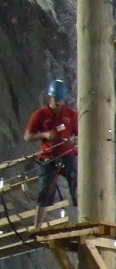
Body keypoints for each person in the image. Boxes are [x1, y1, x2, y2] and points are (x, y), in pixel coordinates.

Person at [24, 79, 78, 228]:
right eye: (56, 99)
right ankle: (38, 226)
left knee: (77, 183)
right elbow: (27, 136)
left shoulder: (71, 115)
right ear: (50, 97)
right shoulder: (40, 114)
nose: (58, 103)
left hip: (68, 154)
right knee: (45, 191)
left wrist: (73, 140)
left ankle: (82, 218)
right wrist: (44, 135)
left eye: (61, 100)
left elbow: (81, 134)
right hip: (48, 157)